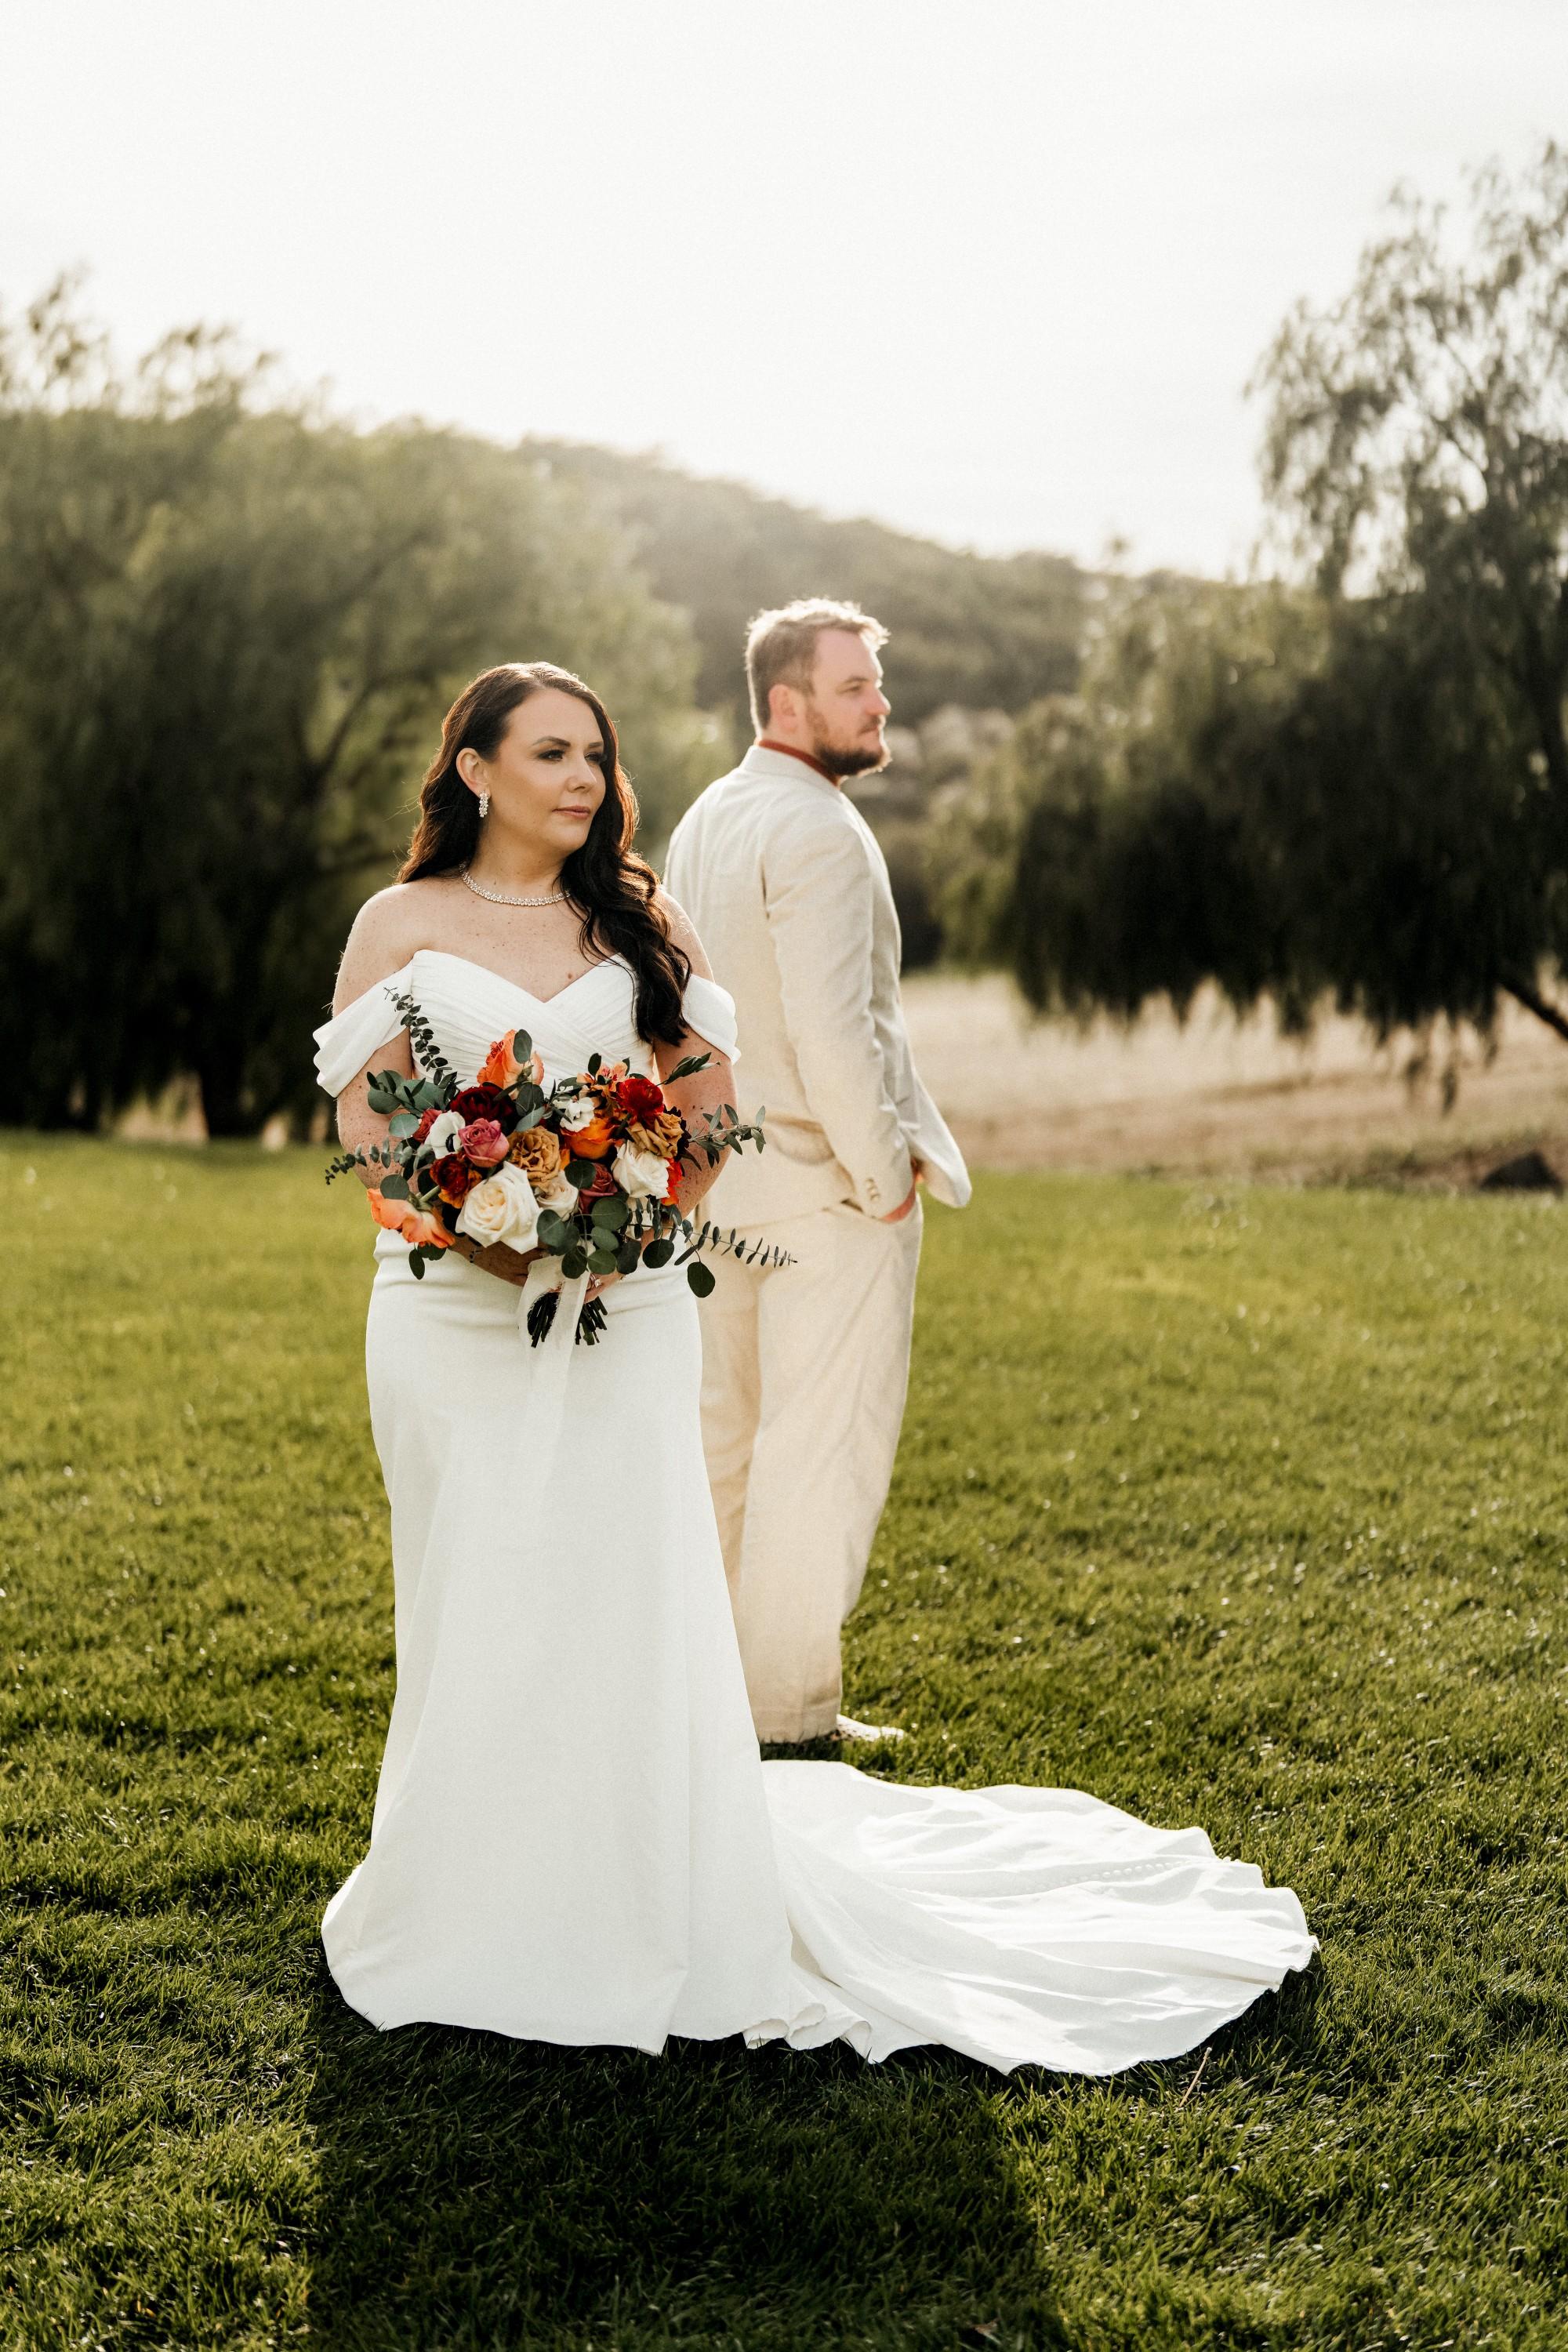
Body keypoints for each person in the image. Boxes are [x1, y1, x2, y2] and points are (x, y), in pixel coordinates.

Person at [311, 658, 1312, 2070]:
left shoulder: (643, 917)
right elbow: (366, 1126)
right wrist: (477, 1225)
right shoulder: (397, 922)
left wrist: (625, 1220)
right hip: (444, 1312)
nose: (583, 779)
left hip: (625, 1303)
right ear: (472, 770)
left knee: (627, 1586)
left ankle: (647, 1884)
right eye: (548, 754)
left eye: (594, 755)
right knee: (473, 1577)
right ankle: (468, 1886)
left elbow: (717, 1122)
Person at [664, 600, 969, 1744]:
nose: (880, 704)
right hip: (829, 1195)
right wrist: (886, 1178)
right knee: (819, 1449)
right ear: (788, 702)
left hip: (725, 1195)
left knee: (727, 1445)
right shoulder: (824, 833)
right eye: (856, 688)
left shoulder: (711, 816)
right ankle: (786, 1715)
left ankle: (712, 1704)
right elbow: (838, 1035)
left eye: (876, 687)